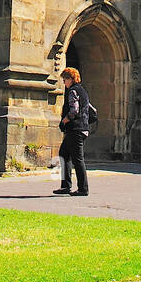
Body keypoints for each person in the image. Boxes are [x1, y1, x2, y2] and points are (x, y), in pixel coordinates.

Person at [53, 66, 90, 197]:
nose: (64, 82)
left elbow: (74, 110)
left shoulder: (73, 91)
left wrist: (64, 120)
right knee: (64, 154)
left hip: (75, 129)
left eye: (65, 79)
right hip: (81, 128)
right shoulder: (83, 91)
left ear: (71, 79)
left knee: (78, 159)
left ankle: (82, 189)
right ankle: (66, 186)